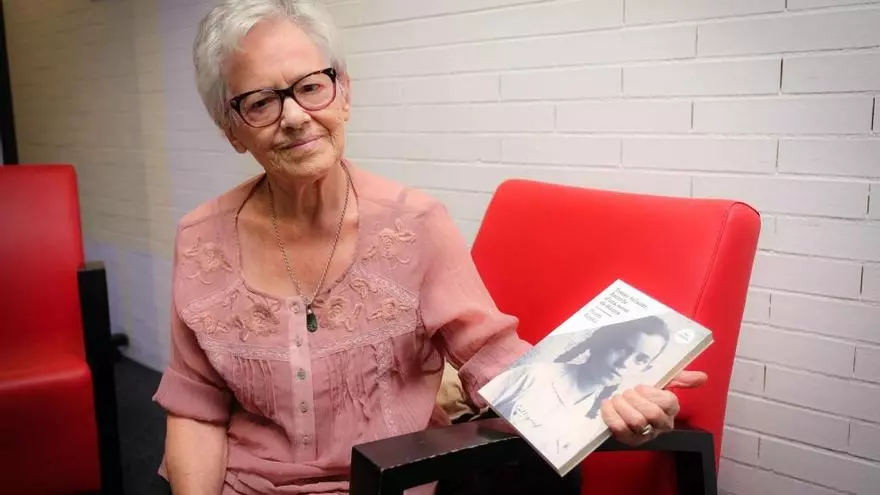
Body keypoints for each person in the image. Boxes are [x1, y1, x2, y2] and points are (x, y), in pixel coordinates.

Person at [151, 1, 707, 493]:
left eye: (311, 86)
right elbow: (197, 408)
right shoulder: (200, 239)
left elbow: (493, 362)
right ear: (231, 129)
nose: (296, 116)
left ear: (344, 94)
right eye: (260, 102)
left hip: (390, 482)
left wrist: (608, 397)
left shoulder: (414, 223)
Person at [482, 316, 673, 466]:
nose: (624, 363)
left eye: (640, 359)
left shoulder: (604, 415)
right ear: (604, 342)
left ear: (645, 368)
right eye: (622, 348)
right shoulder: (535, 374)